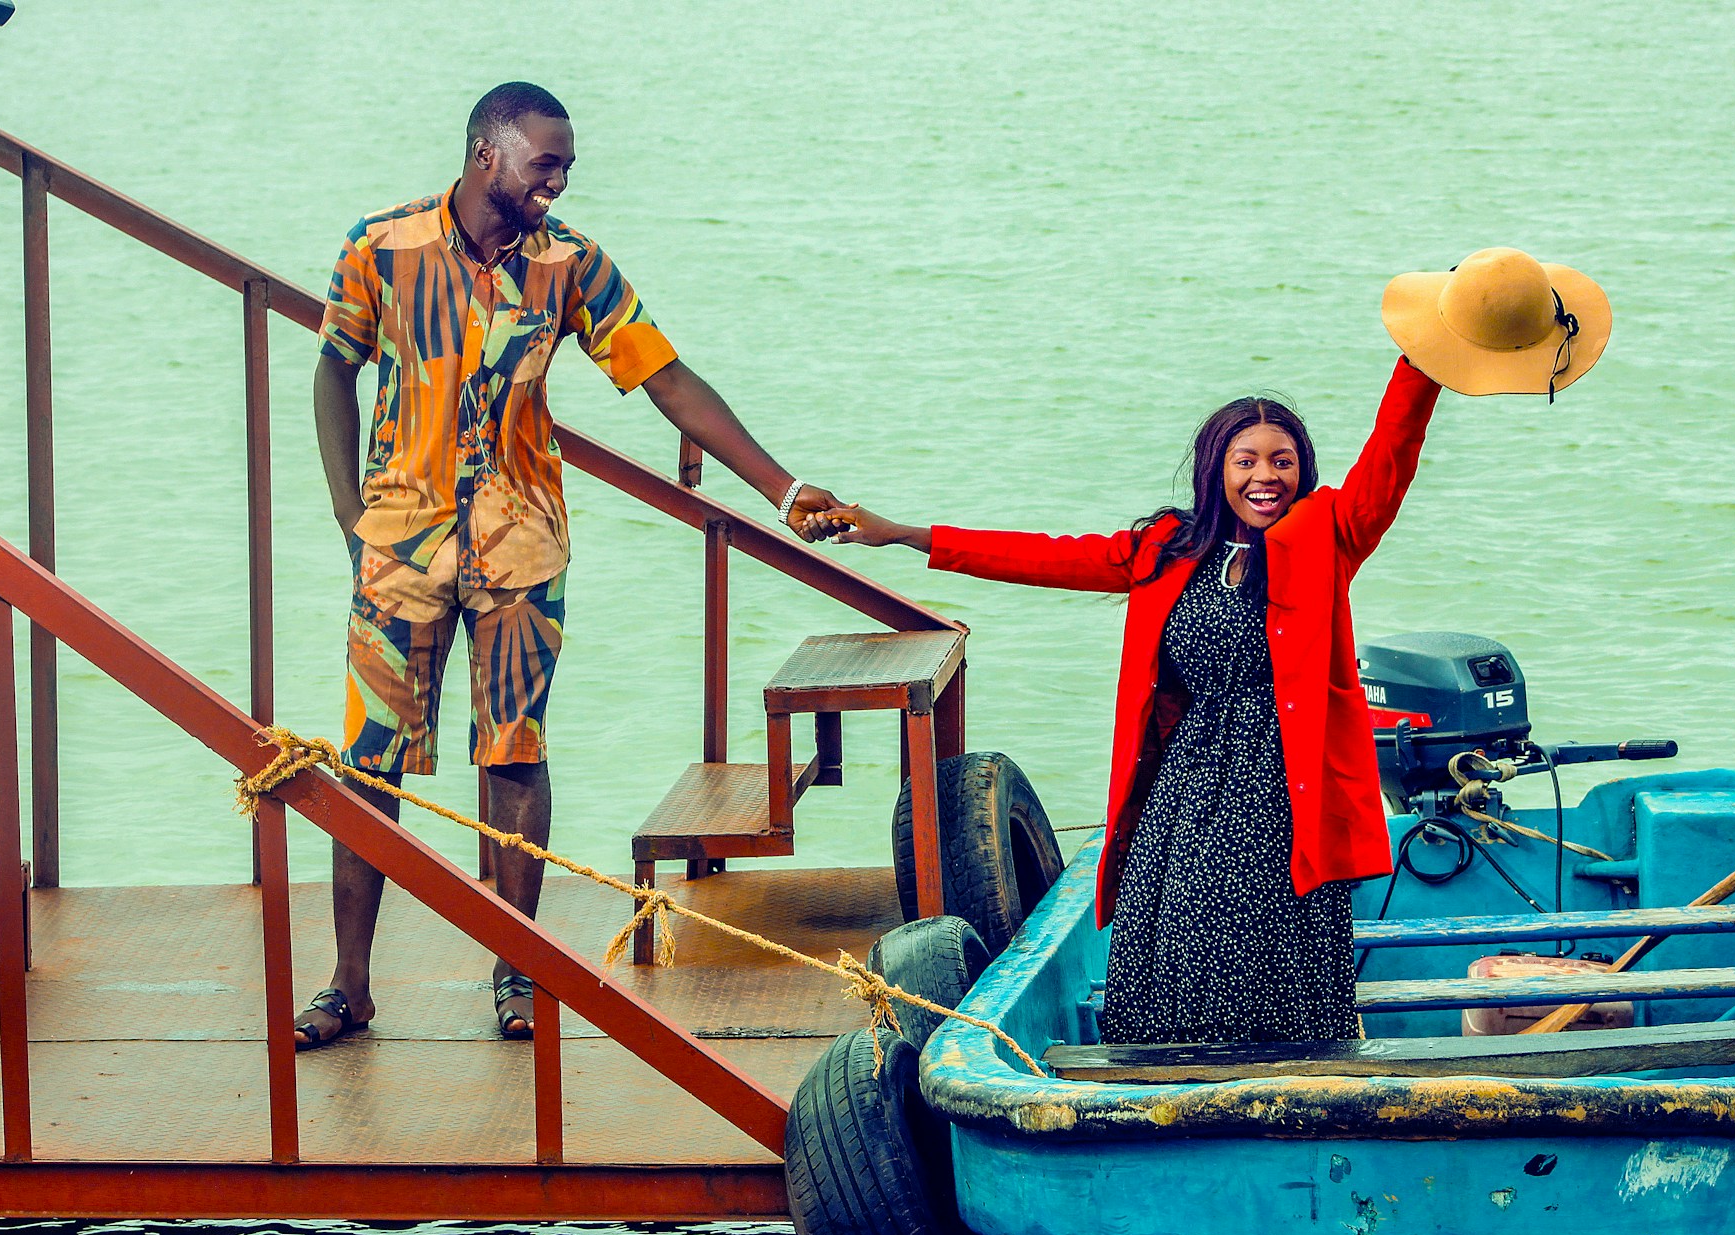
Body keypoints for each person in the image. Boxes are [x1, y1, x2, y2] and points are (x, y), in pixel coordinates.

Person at [828, 249, 1608, 1043]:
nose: (1264, 475)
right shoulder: (1166, 548)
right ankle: (1168, 1079)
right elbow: (1042, 555)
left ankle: (1290, 1076)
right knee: (1160, 938)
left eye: (1282, 460)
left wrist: (1429, 353)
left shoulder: (1327, 534)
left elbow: (1391, 451)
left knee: (1264, 950)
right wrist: (904, 536)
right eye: (1246, 461)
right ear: (1217, 469)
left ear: (1303, 470)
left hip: (1283, 788)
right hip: (1183, 783)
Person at [296, 82, 844, 1048]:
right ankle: (348, 983)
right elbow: (334, 365)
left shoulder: (572, 266)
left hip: (521, 545)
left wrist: (779, 486)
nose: (557, 182)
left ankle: (516, 970)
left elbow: (666, 377)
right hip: (398, 548)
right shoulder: (379, 248)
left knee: (514, 751)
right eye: (543, 164)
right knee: (368, 764)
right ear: (484, 155)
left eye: (565, 167)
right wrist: (349, 506)